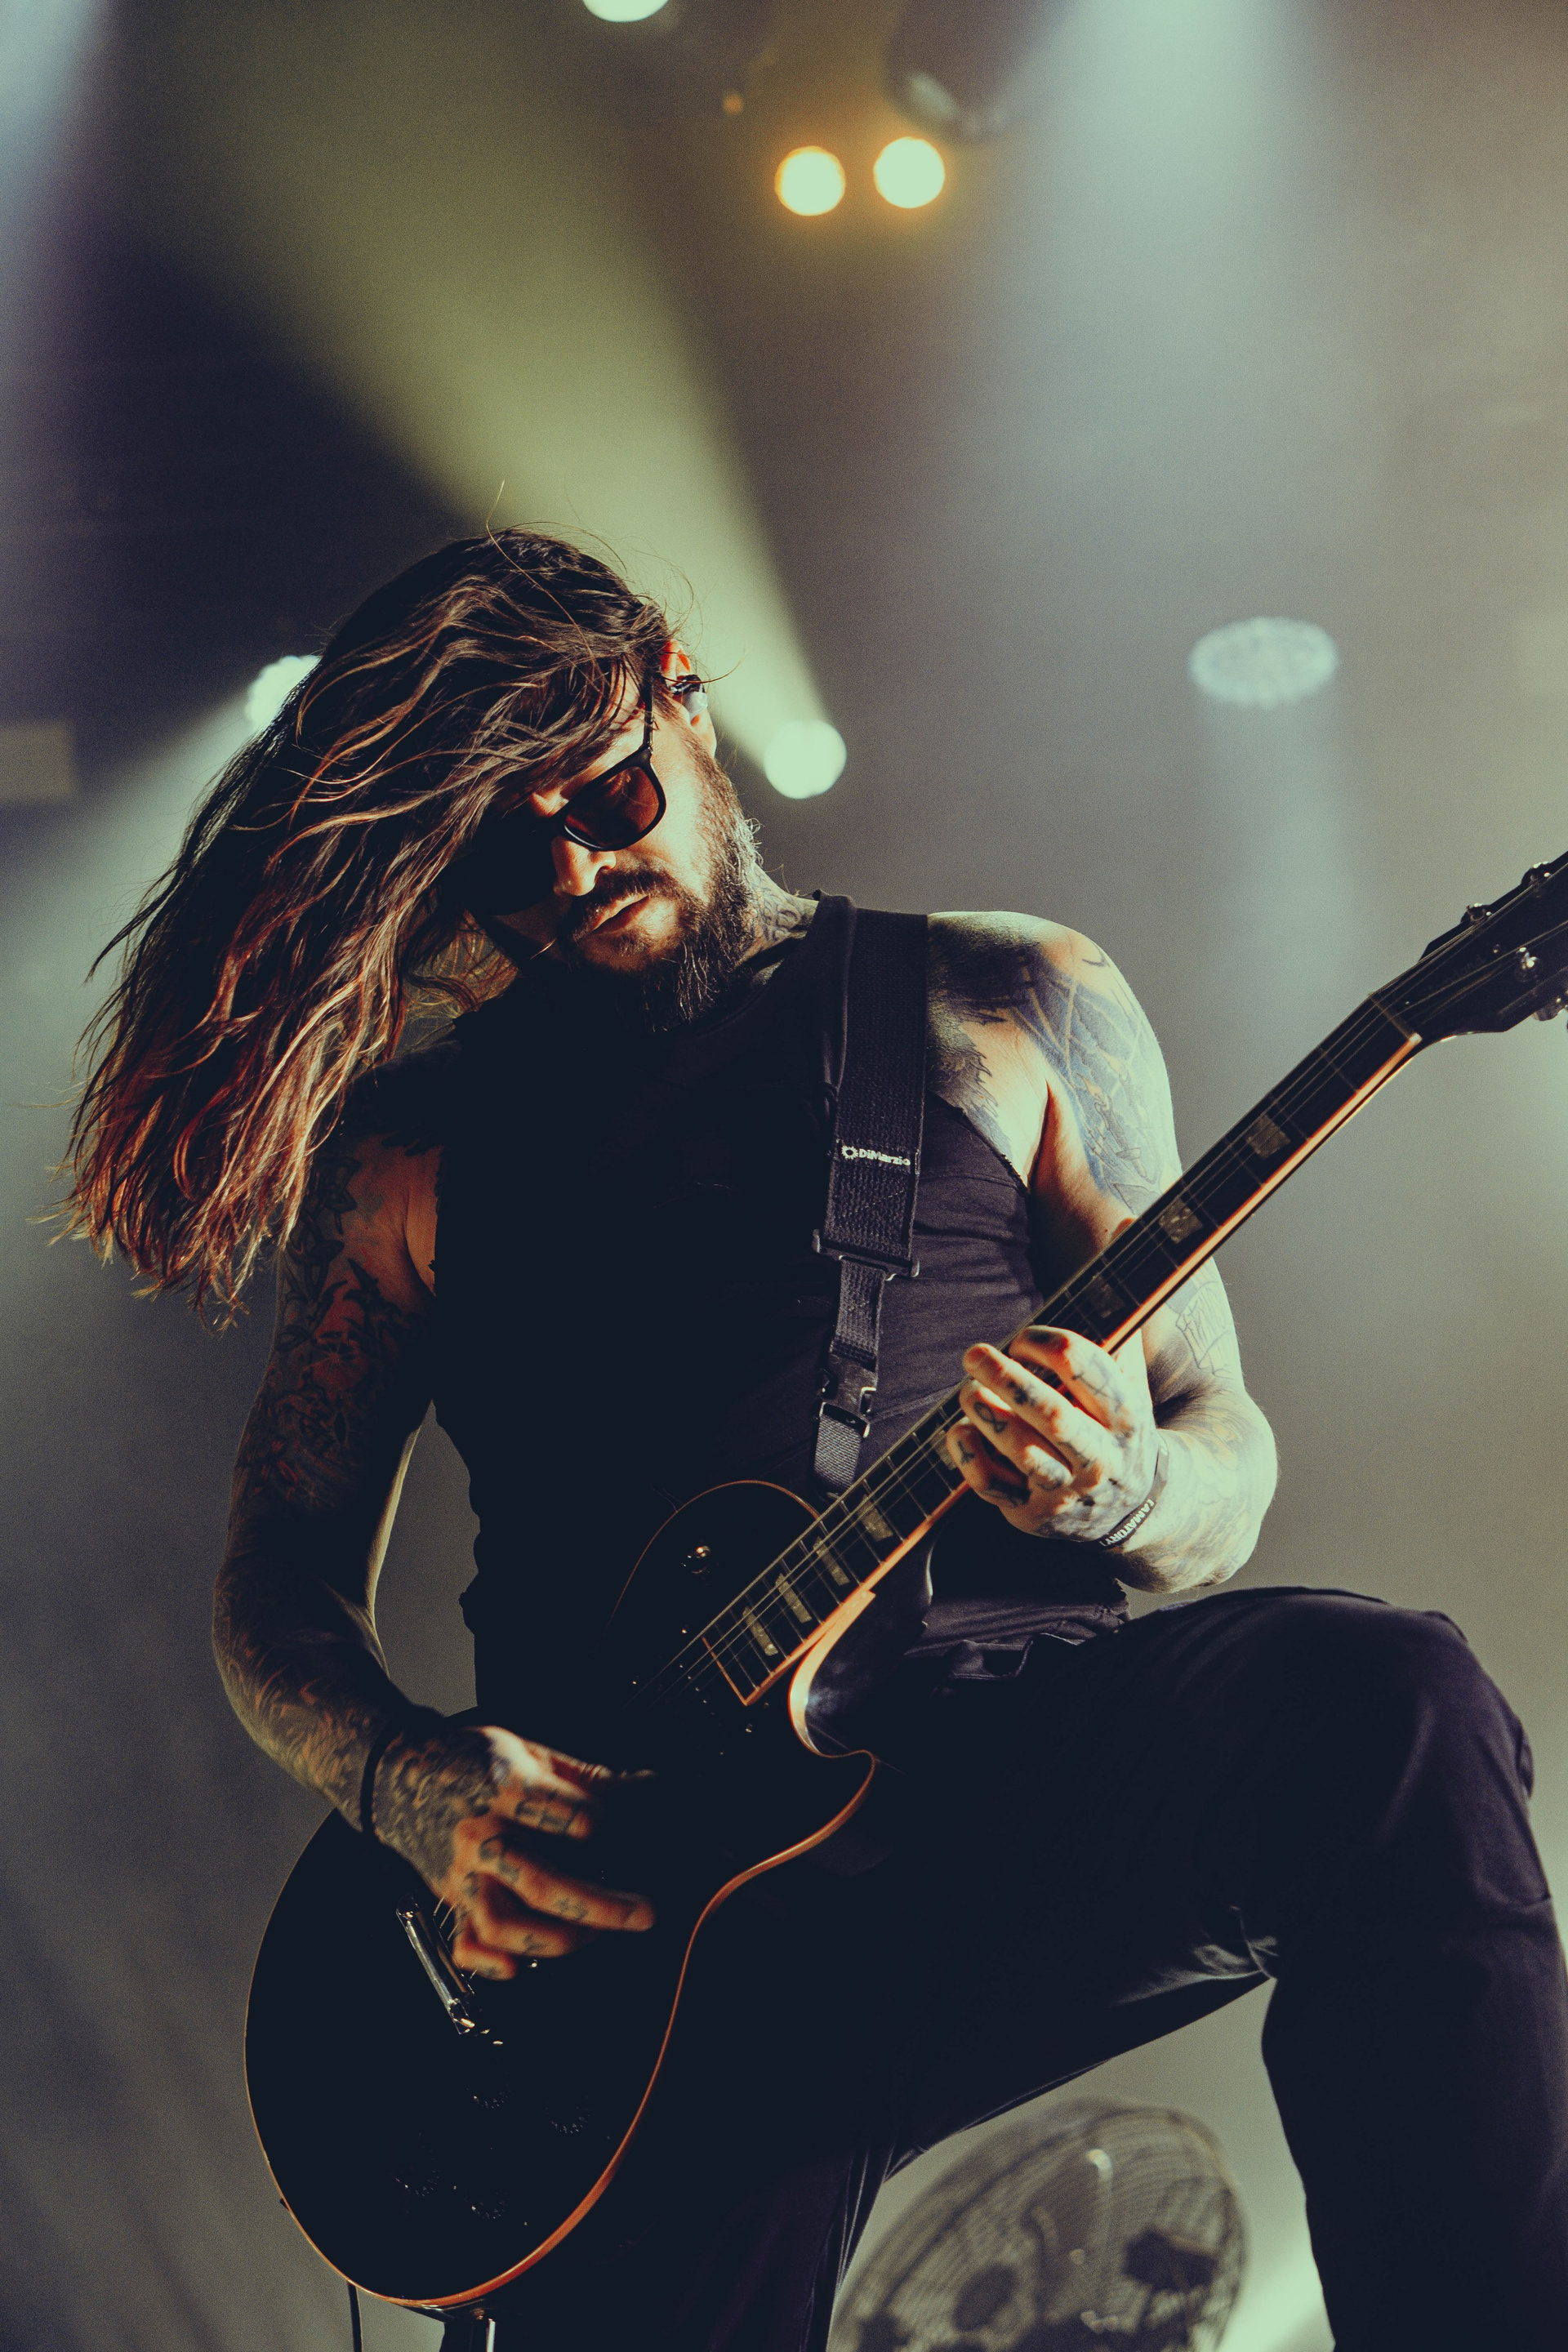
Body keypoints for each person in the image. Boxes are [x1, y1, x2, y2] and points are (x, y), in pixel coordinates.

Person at [69, 532, 1568, 2350]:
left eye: (606, 796)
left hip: (1009, 1796)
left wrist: (1123, 1484)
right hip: (644, 1929)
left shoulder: (1004, 1002)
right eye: (510, 851)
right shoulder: (412, 1154)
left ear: (681, 699)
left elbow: (1219, 1463)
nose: (577, 867)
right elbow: (273, 1579)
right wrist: (409, 1787)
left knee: (1388, 1710)